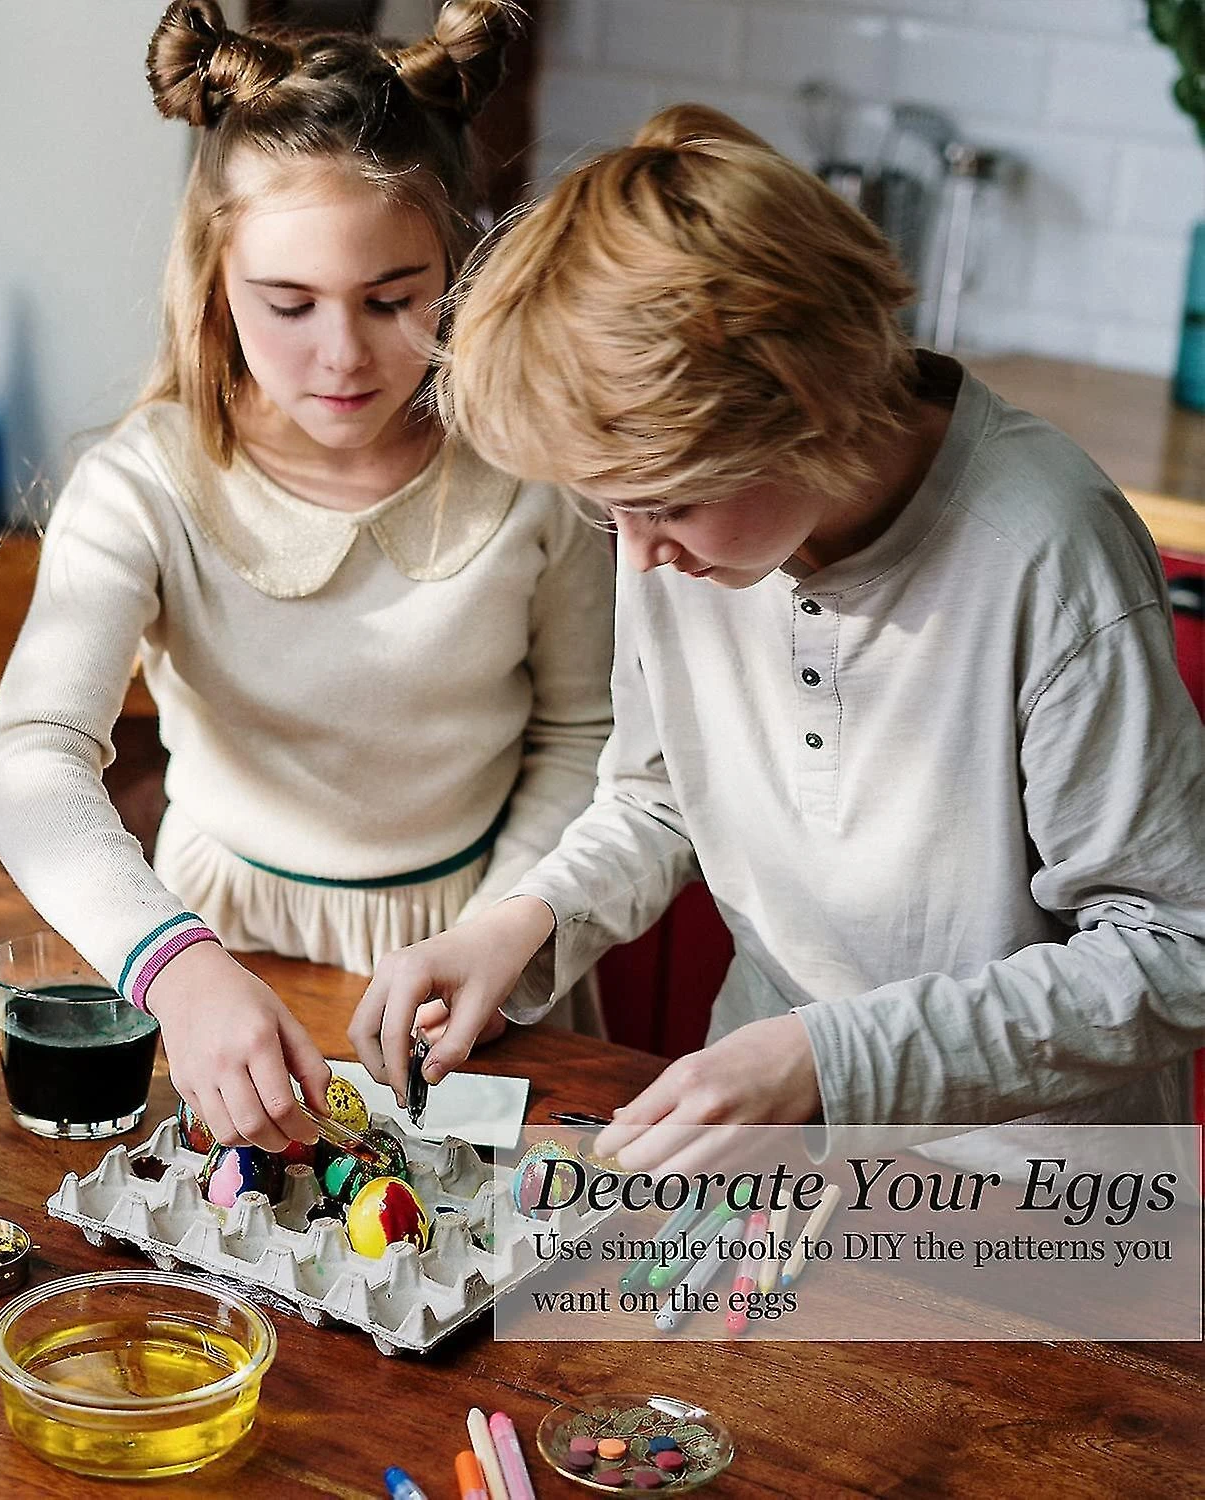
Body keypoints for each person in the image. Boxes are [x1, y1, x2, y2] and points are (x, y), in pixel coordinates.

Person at [349, 104, 1205, 1175]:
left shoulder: (1046, 553)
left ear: (808, 408)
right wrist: (524, 921)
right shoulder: (687, 529)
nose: (638, 553)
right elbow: (662, 793)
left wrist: (830, 1061)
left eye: (664, 503)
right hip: (758, 1127)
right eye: (609, 508)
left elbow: (1175, 946)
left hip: (1029, 1188)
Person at [0, 0, 614, 1155]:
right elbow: (24, 766)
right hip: (212, 957)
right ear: (215, 280)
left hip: (476, 967)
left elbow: (583, 736)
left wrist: (502, 929)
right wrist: (176, 969)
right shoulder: (148, 482)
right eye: (288, 304)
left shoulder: (530, 470)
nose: (343, 353)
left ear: (457, 265)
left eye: (393, 299)